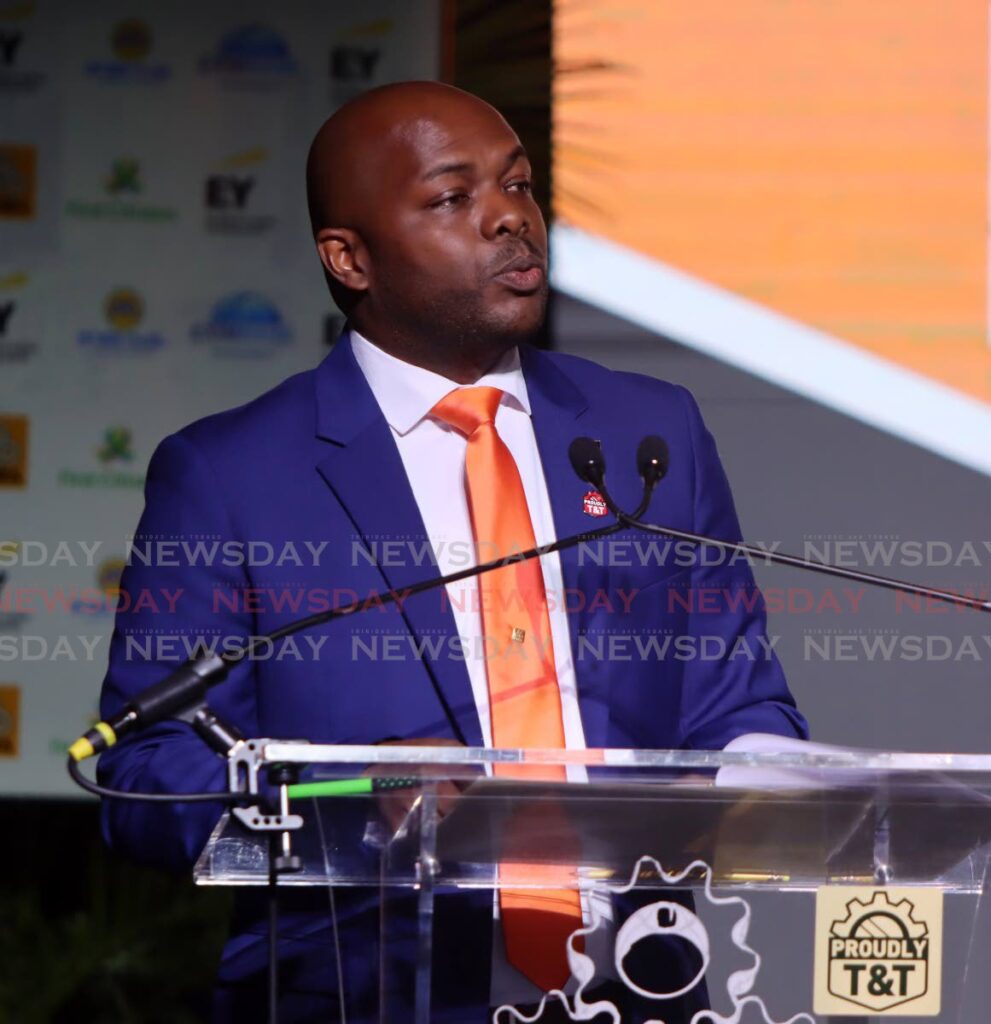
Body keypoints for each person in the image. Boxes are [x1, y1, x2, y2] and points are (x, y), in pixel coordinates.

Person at [97, 81, 808, 1023]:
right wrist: (347, 795)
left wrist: (785, 782)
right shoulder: (230, 474)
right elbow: (144, 774)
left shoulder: (648, 432)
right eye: (452, 197)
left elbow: (737, 702)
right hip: (363, 988)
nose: (510, 217)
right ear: (349, 258)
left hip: (639, 983)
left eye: (518, 184)